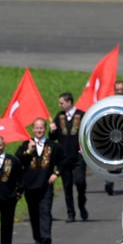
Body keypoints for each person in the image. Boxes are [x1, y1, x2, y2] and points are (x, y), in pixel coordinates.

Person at [17, 117, 63, 244]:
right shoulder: (26, 144)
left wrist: (57, 173)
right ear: (33, 129)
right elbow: (17, 161)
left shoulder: (52, 145)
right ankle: (38, 238)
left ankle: (46, 238)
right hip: (30, 185)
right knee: (33, 213)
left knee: (45, 211)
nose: (39, 130)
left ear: (45, 129)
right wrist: (28, 151)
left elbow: (64, 160)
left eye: (41, 128)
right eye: (36, 128)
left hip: (45, 185)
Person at [49, 92, 88, 223]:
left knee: (80, 182)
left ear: (69, 102)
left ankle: (82, 205)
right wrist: (52, 130)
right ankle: (70, 213)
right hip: (64, 157)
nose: (60, 105)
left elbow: (88, 132)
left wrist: (85, 147)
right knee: (67, 186)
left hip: (78, 156)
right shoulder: (59, 117)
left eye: (62, 103)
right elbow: (53, 137)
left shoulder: (81, 115)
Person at [104, 80, 123, 196]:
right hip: (112, 137)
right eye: (117, 90)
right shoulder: (110, 104)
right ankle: (109, 182)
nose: (119, 92)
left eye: (121, 90)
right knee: (112, 162)